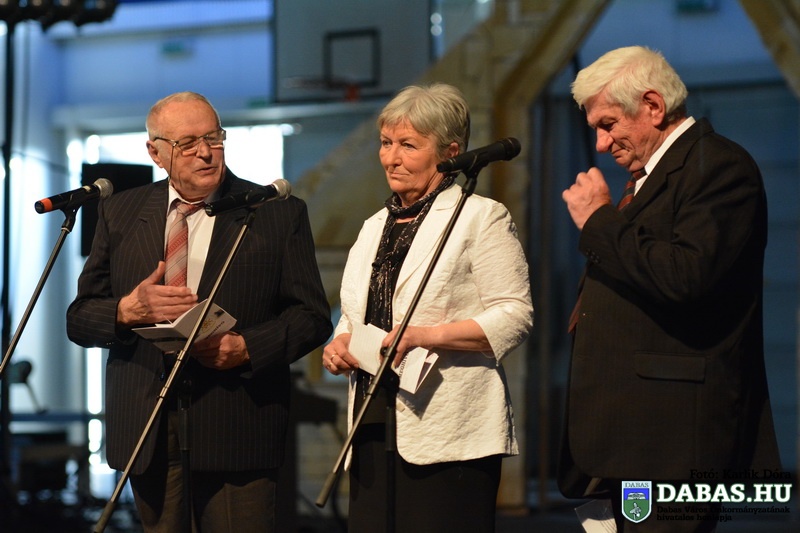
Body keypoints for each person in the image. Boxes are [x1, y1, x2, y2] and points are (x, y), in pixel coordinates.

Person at [66, 91, 332, 532]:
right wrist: (127, 311)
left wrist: (246, 347)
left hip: (237, 420)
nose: (205, 152)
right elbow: (80, 318)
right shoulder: (120, 212)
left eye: (213, 137)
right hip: (147, 423)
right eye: (187, 143)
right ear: (155, 153)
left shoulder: (275, 211)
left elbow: (311, 316)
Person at [559, 46, 781, 531]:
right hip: (629, 434)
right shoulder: (648, 177)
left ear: (653, 106)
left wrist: (598, 220)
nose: (601, 144)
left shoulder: (718, 166)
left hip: (671, 440)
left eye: (608, 124)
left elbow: (685, 276)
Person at [322, 83, 533, 532]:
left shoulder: (481, 217)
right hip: (371, 421)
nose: (391, 158)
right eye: (386, 143)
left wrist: (425, 336)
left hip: (449, 431)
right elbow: (357, 314)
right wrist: (341, 343)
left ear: (451, 153)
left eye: (408, 145)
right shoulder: (373, 226)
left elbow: (515, 315)